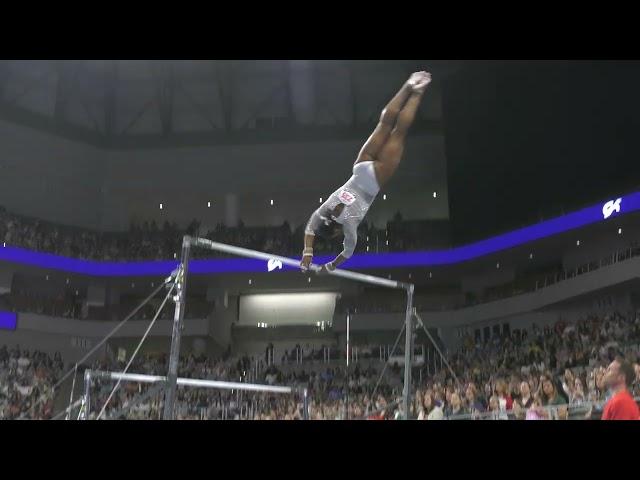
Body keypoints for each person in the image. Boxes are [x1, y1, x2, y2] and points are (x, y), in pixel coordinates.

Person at [300, 71, 432, 273]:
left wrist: (331, 266)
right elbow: (311, 225)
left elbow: (348, 253)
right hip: (360, 168)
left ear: (336, 232)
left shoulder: (349, 227)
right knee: (385, 124)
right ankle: (409, 85)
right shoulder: (327, 207)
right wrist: (307, 251)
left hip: (375, 179)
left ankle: (417, 93)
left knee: (399, 133)